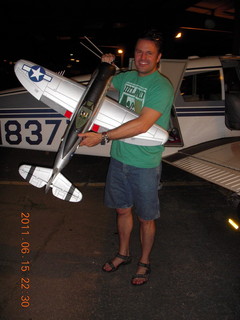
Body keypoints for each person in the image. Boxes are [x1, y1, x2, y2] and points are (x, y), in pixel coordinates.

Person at [78, 31, 174, 285]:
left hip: (144, 164)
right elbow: (97, 86)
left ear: (158, 57)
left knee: (146, 217)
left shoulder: (161, 86)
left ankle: (144, 261)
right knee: (122, 211)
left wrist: (103, 137)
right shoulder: (127, 77)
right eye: (139, 52)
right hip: (119, 158)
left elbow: (143, 125)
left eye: (149, 53)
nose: (142, 57)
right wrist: (104, 68)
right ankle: (123, 253)